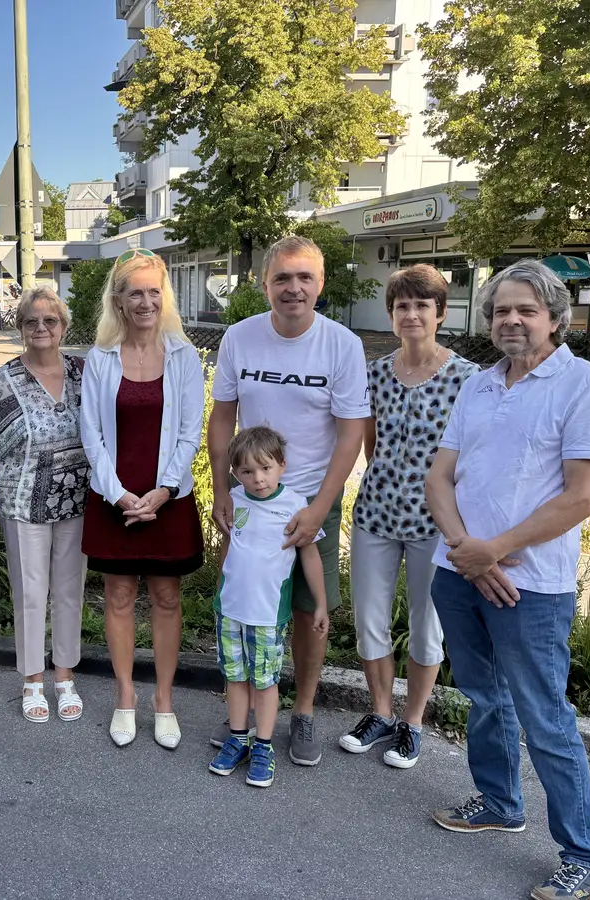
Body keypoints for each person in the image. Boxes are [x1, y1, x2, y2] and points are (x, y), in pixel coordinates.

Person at [423, 259, 590, 900]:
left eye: (525, 310)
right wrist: (464, 550)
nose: (510, 320)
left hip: (530, 584)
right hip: (459, 572)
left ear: (555, 319)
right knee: (484, 696)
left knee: (545, 716)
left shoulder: (586, 386)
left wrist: (495, 551)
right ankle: (501, 801)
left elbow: (581, 497)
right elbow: (439, 478)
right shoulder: (479, 385)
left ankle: (584, 855)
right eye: (500, 310)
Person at [206, 234, 370, 766]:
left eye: (304, 278)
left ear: (320, 285)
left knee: (306, 610)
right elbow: (222, 416)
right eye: (282, 278)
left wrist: (321, 506)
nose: (293, 288)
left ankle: (302, 712)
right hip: (250, 495)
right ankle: (243, 721)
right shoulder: (239, 337)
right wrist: (222, 487)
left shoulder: (342, 344)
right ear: (264, 284)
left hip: (311, 498)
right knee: (248, 601)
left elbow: (351, 433)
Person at [339, 264, 479, 769]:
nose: (412, 313)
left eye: (423, 305)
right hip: (376, 514)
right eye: (403, 305)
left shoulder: (468, 379)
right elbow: (371, 446)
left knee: (427, 627)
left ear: (440, 313)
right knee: (370, 623)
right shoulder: (375, 373)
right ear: (392, 314)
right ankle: (379, 712)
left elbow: (471, 455)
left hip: (435, 525)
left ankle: (412, 722)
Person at [80, 248, 205, 749]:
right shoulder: (100, 358)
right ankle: (126, 698)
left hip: (166, 498)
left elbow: (189, 433)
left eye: (155, 291)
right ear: (119, 298)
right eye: (137, 292)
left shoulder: (183, 355)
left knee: (167, 598)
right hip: (115, 498)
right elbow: (91, 434)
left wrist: (163, 492)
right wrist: (119, 496)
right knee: (118, 596)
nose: (147, 300)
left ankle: (165, 702)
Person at [0, 280, 89, 724]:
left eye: (50, 320)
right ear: (20, 327)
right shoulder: (5, 378)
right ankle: (32, 680)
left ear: (63, 326)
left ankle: (64, 676)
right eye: (31, 321)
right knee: (29, 592)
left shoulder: (83, 371)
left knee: (69, 590)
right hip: (23, 500)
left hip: (78, 497)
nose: (41, 327)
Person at [206, 427, 328, 789]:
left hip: (266, 615)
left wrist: (320, 604)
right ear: (235, 473)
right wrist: (219, 589)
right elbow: (229, 549)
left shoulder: (295, 505)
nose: (257, 479)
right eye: (246, 472)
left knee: (264, 682)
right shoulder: (233, 499)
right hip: (230, 610)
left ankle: (263, 745)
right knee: (235, 676)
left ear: (282, 466)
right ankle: (239, 737)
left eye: (265, 469)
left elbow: (311, 558)